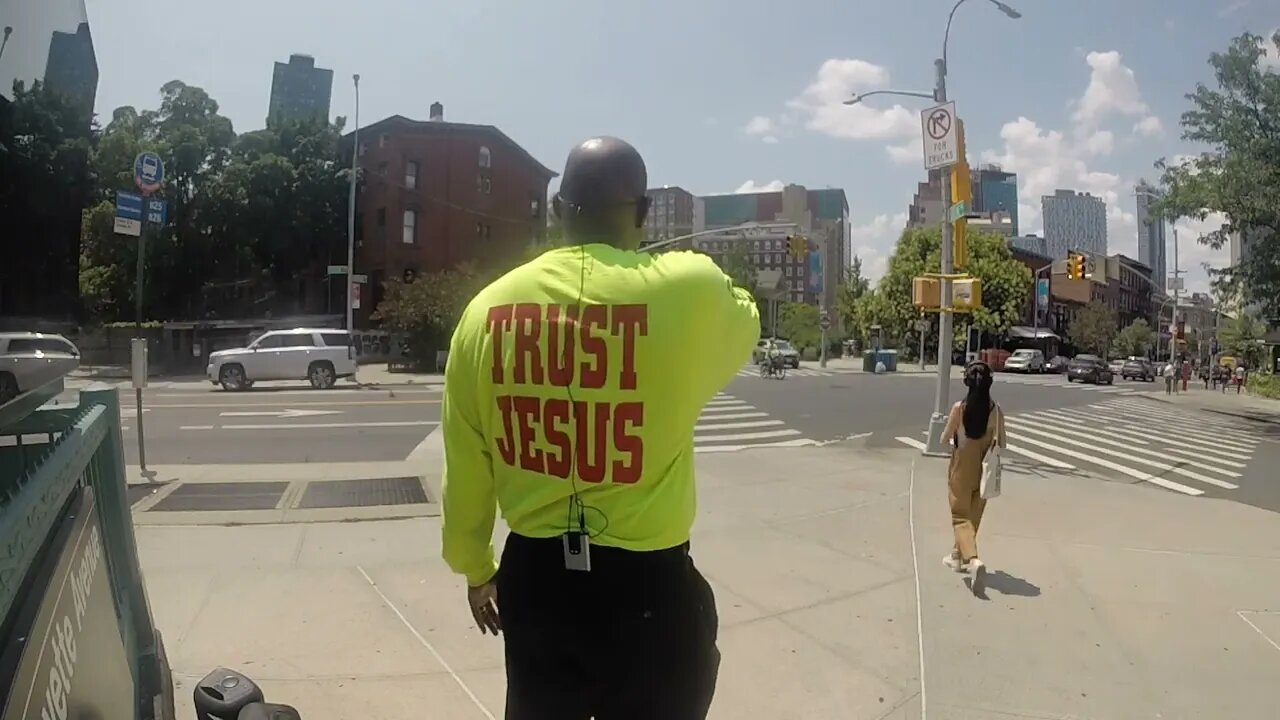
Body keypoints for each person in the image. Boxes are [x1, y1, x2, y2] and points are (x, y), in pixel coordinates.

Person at [440, 136, 760, 720]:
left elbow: (466, 464)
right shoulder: (689, 289)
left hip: (534, 584)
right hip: (647, 587)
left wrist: (476, 569)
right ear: (641, 214)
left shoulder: (484, 312)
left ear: (559, 211)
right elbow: (746, 313)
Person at [940, 361, 1006, 596]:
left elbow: (945, 437)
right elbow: (1003, 443)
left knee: (960, 515)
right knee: (974, 515)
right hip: (985, 468)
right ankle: (957, 556)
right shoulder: (995, 410)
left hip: (961, 466)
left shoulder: (960, 408)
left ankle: (973, 560)